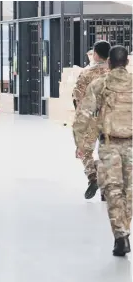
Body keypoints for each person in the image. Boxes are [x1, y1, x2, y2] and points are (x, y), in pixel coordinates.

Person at [73, 45, 132, 256]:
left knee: (113, 190)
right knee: (129, 192)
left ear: (109, 62)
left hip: (109, 144)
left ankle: (121, 236)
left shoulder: (99, 84)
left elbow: (83, 115)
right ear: (126, 62)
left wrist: (80, 143)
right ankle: (124, 229)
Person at [72, 40, 111, 200]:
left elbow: (77, 97)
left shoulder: (87, 73)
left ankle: (93, 177)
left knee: (85, 151)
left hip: (91, 119)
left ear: (95, 54)